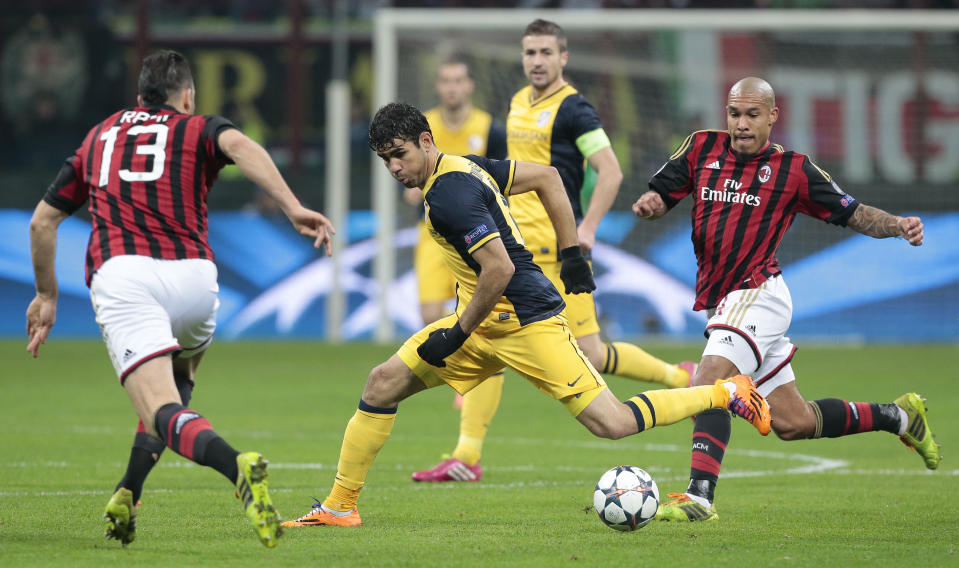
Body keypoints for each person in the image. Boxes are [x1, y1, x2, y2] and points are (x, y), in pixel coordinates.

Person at [280, 102, 770, 528]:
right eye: (385, 159)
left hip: (526, 324)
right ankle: (340, 506)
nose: (393, 168)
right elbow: (545, 177)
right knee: (381, 384)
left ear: (425, 142)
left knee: (613, 423)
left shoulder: (450, 194)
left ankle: (728, 391)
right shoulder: (463, 166)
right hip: (483, 324)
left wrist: (456, 333)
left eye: (400, 155)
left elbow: (499, 267)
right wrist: (570, 250)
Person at [25, 50, 335, 547]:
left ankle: (237, 467)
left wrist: (46, 294)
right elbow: (241, 145)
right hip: (196, 281)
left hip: (126, 274)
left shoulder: (101, 136)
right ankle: (128, 490)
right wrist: (293, 207)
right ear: (186, 96)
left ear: (139, 95)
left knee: (158, 405)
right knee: (177, 385)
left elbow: (43, 221)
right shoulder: (198, 128)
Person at [632, 76, 942, 523]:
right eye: (734, 114)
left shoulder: (794, 170)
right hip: (729, 301)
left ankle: (699, 496)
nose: (741, 124)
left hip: (757, 292)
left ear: (773, 117)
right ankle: (897, 416)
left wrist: (898, 224)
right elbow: (664, 194)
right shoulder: (701, 148)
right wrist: (649, 204)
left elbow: (852, 212)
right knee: (794, 423)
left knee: (709, 379)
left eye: (752, 115)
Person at [411, 18, 695, 484]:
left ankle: (682, 379)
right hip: (514, 250)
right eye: (530, 53)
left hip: (556, 253)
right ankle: (467, 453)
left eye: (546, 53)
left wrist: (586, 229)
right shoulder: (518, 103)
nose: (537, 61)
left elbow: (610, 171)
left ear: (563, 57)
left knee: (592, 353)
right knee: (488, 338)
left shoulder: (576, 110)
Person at [407, 58, 509, 423]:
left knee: (479, 307)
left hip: (474, 230)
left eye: (458, 80)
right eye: (445, 80)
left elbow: (500, 177)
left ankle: (472, 385)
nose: (451, 87)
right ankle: (466, 375)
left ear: (469, 86)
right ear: (439, 86)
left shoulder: (489, 128)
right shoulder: (423, 127)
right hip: (432, 229)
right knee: (430, 314)